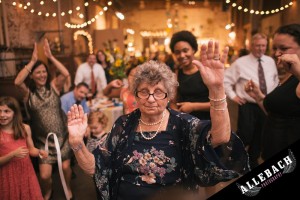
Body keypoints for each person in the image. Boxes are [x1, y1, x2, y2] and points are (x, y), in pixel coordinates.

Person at [67, 41, 249, 200]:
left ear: (169, 95)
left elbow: (221, 137)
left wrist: (216, 88)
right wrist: (77, 143)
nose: (151, 98)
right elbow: (94, 168)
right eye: (144, 91)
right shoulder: (123, 125)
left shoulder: (183, 124)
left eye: (159, 92)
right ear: (136, 96)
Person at [14, 39, 73, 200]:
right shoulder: (28, 94)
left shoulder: (54, 87)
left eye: (44, 72)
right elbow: (17, 81)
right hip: (42, 141)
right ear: (32, 76)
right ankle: (48, 191)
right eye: (38, 72)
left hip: (62, 137)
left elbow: (66, 74)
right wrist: (32, 61)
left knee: (66, 167)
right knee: (45, 176)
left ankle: (67, 187)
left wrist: (51, 57)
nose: (42, 75)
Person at [244, 24, 300, 162]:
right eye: (275, 48)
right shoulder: (290, 74)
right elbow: (275, 113)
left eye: (284, 48)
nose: (276, 53)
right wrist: (258, 97)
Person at [224, 33, 279, 168]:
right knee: (245, 134)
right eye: (257, 45)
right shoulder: (240, 63)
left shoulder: (270, 61)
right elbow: (225, 80)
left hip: (266, 104)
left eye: (263, 46)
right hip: (248, 104)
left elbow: (275, 80)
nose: (261, 49)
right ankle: (234, 158)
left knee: (260, 135)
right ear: (251, 46)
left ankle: (252, 161)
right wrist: (233, 96)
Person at [0, 96, 48, 200]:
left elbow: (31, 149)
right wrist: (12, 154)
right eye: (0, 111)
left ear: (15, 113)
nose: (2, 115)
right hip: (7, 175)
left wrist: (40, 152)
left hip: (26, 172)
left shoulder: (25, 128)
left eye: (6, 111)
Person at [169, 30, 211, 120]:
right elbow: (173, 101)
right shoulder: (176, 72)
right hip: (185, 122)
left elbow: (218, 104)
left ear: (193, 50)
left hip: (205, 123)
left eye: (185, 50)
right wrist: (176, 111)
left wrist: (193, 106)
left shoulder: (205, 71)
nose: (182, 55)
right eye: (177, 52)